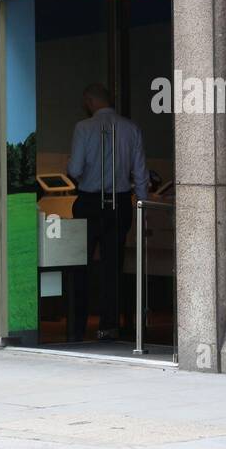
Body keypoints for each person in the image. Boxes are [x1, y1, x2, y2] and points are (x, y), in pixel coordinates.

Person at [66, 84, 149, 342]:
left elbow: (74, 169)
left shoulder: (83, 128)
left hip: (90, 201)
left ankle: (77, 327)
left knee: (80, 265)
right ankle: (108, 327)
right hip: (120, 202)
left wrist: (83, 174)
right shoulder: (131, 128)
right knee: (113, 267)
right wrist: (143, 206)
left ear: (90, 101)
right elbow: (141, 173)